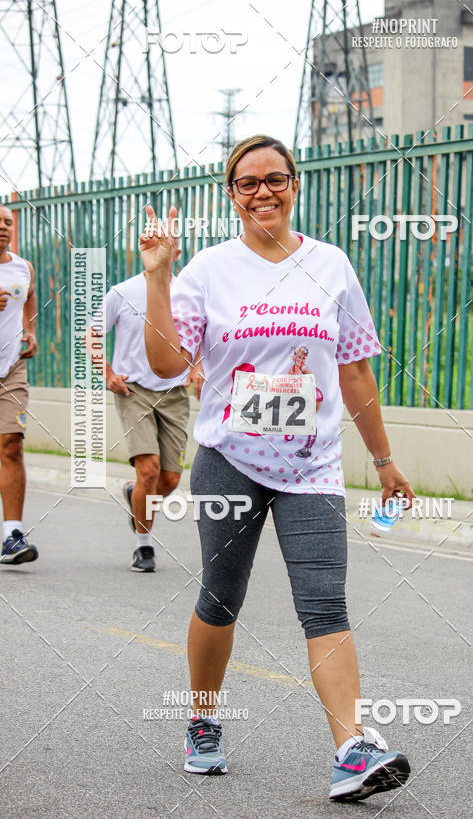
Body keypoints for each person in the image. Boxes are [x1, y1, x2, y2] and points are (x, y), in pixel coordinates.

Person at [140, 134, 416, 802]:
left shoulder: (331, 264)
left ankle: (351, 749)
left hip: (313, 464)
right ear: (231, 195)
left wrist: (383, 461)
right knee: (220, 595)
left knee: (324, 599)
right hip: (229, 460)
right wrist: (157, 275)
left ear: (294, 184)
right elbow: (167, 364)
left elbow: (353, 370)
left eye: (275, 178)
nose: (263, 190)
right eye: (248, 182)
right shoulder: (209, 269)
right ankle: (204, 719)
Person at [86, 234, 202, 572]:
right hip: (133, 391)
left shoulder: (188, 294)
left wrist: (197, 368)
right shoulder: (122, 292)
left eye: (171, 244)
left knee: (168, 481)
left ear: (178, 252)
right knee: (149, 470)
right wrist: (107, 372)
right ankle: (143, 546)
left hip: (174, 395)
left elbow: (203, 339)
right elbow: (92, 333)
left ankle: (134, 494)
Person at [0, 204, 38, 564]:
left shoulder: (22, 267)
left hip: (11, 368)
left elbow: (28, 299)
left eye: (8, 222)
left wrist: (30, 330)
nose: (3, 228)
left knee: (11, 444)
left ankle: (11, 534)